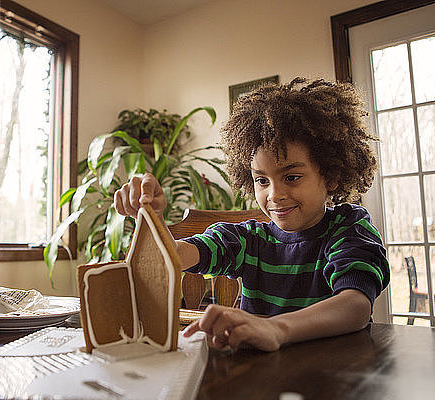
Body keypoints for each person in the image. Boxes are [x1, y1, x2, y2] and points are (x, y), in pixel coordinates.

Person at [114, 78, 390, 352]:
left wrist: (277, 328)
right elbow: (172, 256)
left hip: (335, 374)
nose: (274, 195)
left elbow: (355, 304)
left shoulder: (349, 229)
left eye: (292, 177)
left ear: (331, 176)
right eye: (261, 180)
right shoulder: (247, 240)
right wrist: (151, 216)